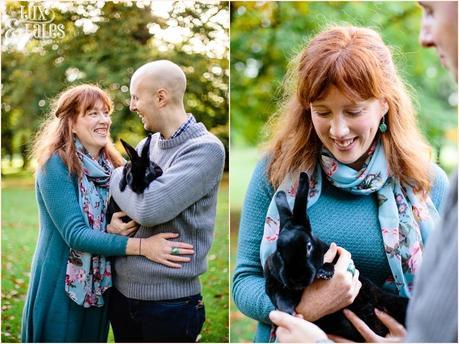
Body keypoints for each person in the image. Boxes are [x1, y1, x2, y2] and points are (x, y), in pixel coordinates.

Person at [232, 25, 450, 343]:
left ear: (384, 103)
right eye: (323, 112)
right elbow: (245, 280)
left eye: (353, 111)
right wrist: (306, 309)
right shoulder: (278, 171)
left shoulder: (427, 184)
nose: (338, 130)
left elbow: (448, 300)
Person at [21, 84, 194, 343]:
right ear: (71, 123)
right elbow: (76, 235)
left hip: (99, 283)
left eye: (105, 112)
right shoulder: (55, 165)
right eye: (92, 113)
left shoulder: (114, 166)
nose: (104, 120)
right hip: (61, 282)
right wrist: (142, 246)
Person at [107, 60, 225, 342]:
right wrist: (114, 224)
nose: (132, 106)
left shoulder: (205, 150)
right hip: (123, 296)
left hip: (170, 306)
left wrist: (116, 175)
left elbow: (149, 208)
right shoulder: (147, 145)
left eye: (136, 96)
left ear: (160, 97)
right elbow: (129, 202)